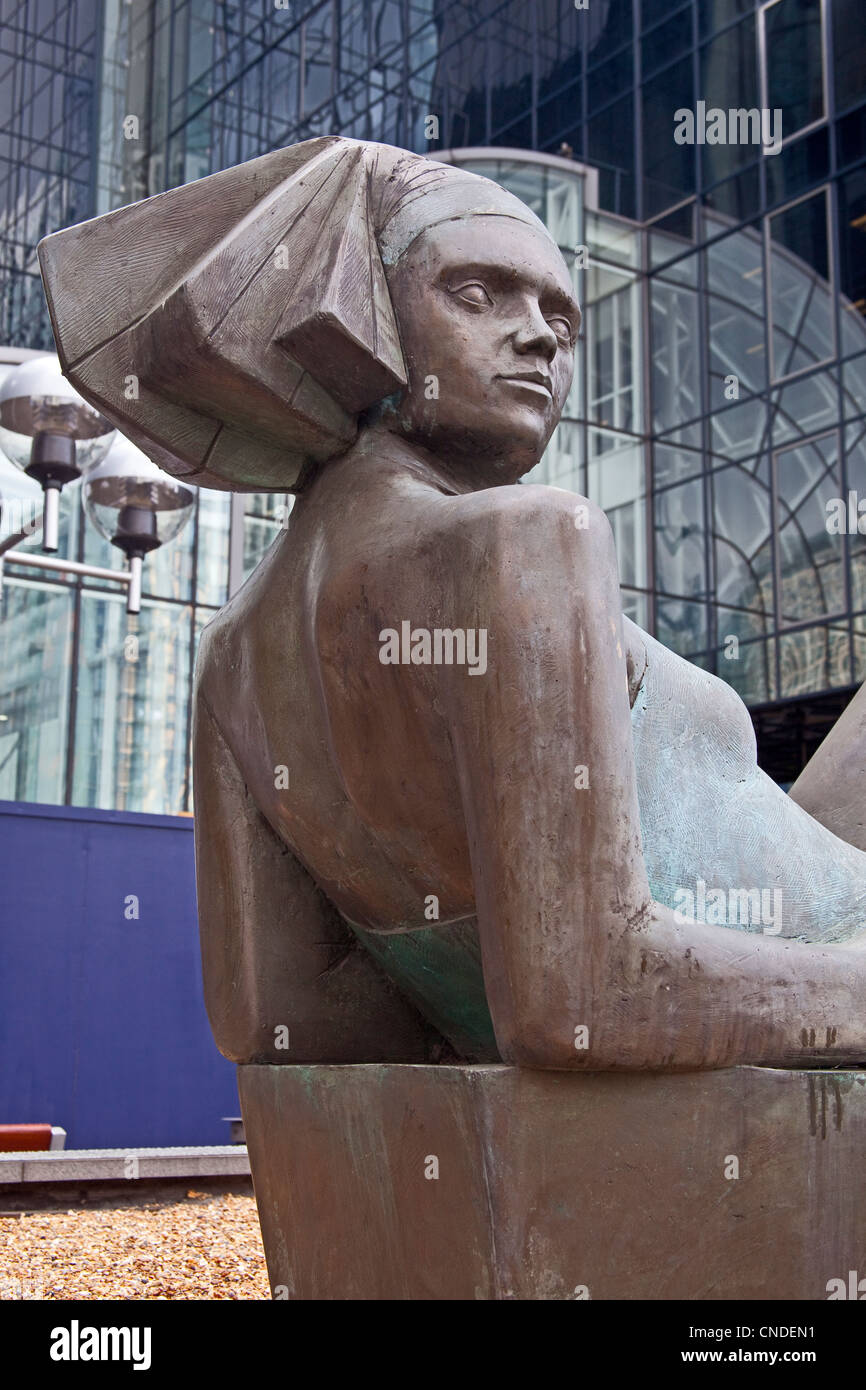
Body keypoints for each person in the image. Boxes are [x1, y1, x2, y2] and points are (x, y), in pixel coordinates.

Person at [46, 137, 866, 1070]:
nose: (541, 339)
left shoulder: (235, 653)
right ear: (363, 315)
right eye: (478, 296)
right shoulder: (523, 541)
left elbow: (280, 1018)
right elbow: (583, 997)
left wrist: (460, 983)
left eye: (563, 320)